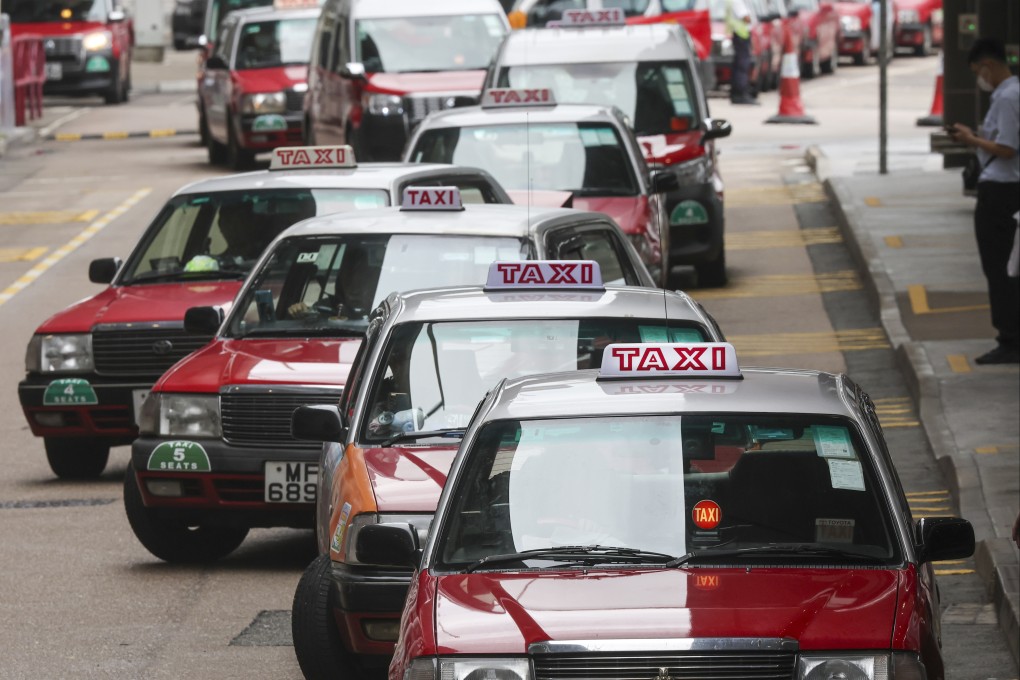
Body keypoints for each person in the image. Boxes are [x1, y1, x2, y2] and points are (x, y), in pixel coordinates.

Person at [949, 38, 1020, 365]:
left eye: (979, 71)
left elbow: (1007, 148)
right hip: (1008, 190)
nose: (980, 77)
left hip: (1001, 192)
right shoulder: (1012, 93)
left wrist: (971, 140)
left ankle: (1010, 338)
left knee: (999, 266)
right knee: (1008, 265)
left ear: (988, 66)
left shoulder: (1006, 97)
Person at [726, 0, 757, 105]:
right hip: (740, 35)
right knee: (742, 66)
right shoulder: (737, 1)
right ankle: (740, 93)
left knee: (739, 65)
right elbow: (746, 18)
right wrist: (753, 18)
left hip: (740, 35)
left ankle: (737, 93)